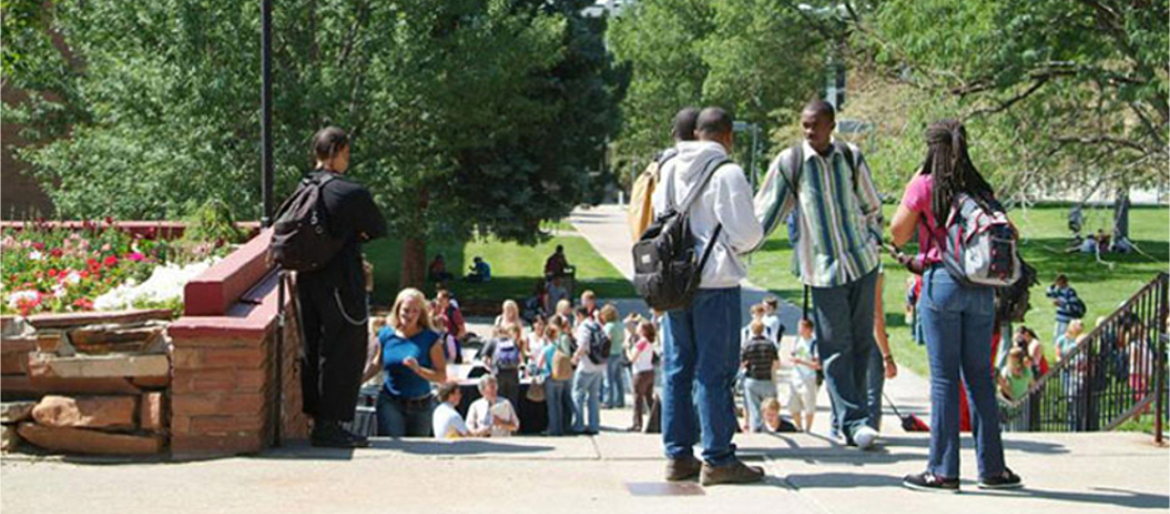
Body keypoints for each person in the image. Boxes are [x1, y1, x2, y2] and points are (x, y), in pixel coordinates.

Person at [891, 119, 1022, 492]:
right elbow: (1011, 232)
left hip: (941, 284)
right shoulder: (978, 187)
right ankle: (993, 469)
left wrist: (914, 192)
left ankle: (943, 470)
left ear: (930, 147)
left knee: (945, 379)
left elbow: (897, 233)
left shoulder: (925, 185)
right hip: (981, 288)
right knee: (979, 377)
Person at [754, 100, 884, 450]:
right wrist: (738, 247)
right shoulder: (791, 163)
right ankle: (856, 422)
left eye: (816, 125)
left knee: (860, 344)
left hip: (861, 263)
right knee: (835, 347)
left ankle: (848, 423)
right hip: (823, 270)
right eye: (805, 125)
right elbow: (766, 212)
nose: (809, 132)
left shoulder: (851, 156)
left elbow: (872, 206)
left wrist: (873, 241)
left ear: (831, 125)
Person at [652, 107, 765, 486]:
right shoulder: (727, 173)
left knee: (677, 369)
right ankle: (717, 457)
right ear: (727, 136)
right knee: (714, 371)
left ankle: (677, 454)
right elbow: (748, 234)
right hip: (715, 282)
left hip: (674, 283)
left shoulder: (667, 168)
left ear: (698, 133)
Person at [295, 126, 387, 448]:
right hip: (339, 281)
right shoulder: (350, 192)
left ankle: (318, 419)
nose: (348, 160)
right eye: (346, 153)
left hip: (307, 278)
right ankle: (330, 426)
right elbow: (377, 227)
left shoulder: (304, 185)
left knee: (314, 348)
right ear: (335, 152)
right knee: (344, 349)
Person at [377, 288, 447, 437]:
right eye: (406, 310)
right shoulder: (386, 334)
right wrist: (358, 381)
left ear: (421, 314)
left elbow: (442, 376)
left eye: (415, 311)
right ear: (397, 309)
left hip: (421, 405)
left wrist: (419, 370)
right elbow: (377, 363)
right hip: (391, 402)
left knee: (418, 450)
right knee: (394, 449)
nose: (409, 315)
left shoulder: (430, 338)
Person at [629, 107, 701, 241]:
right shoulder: (702, 166)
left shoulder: (659, 164)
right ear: (700, 135)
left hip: (661, 242)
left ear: (673, 134)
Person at [571, 305, 606, 434]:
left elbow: (583, 345)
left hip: (586, 365)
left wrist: (575, 358)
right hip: (599, 365)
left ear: (579, 315)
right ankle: (594, 425)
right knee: (594, 397)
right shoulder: (596, 324)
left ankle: (579, 425)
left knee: (577, 395)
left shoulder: (583, 327)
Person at [741, 320, 780, 433]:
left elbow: (742, 363)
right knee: (770, 407)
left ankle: (756, 430)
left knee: (754, 409)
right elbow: (776, 363)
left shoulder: (747, 345)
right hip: (767, 379)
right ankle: (770, 428)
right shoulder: (770, 344)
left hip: (752, 379)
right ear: (763, 330)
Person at [541, 320, 575, 436]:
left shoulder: (546, 349)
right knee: (559, 403)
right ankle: (560, 428)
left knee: (552, 405)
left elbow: (540, 364)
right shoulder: (558, 347)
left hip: (549, 377)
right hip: (560, 377)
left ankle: (553, 429)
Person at [788, 319, 821, 432]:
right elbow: (792, 354)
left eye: (802, 328)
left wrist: (802, 362)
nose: (799, 330)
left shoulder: (814, 344)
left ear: (809, 330)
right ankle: (799, 426)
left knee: (809, 404)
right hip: (795, 376)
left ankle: (808, 428)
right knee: (793, 404)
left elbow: (817, 365)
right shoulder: (797, 340)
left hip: (808, 377)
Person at [480, 323, 524, 410]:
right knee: (512, 401)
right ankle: (512, 421)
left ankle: (499, 421)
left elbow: (484, 359)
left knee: (498, 400)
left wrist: (490, 369)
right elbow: (520, 359)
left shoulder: (492, 341)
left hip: (498, 373)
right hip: (513, 374)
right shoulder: (512, 342)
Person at [627, 320, 657, 432]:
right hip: (649, 370)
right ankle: (656, 420)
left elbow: (632, 358)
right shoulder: (650, 341)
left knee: (637, 399)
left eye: (639, 327)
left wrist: (626, 349)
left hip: (640, 372)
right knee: (649, 398)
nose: (637, 328)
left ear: (643, 330)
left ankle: (637, 424)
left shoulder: (641, 342)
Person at [600, 304, 627, 409]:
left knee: (608, 378)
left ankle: (608, 401)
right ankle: (620, 400)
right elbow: (623, 338)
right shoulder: (620, 325)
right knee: (618, 378)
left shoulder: (608, 327)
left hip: (609, 354)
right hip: (618, 352)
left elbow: (605, 340)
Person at [1046, 274, 1084, 341]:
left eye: (1058, 282)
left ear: (1063, 282)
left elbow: (1073, 308)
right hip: (1059, 319)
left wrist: (1060, 304)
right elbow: (1048, 293)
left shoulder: (1070, 292)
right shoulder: (1058, 290)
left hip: (1067, 321)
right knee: (1056, 337)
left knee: (1065, 339)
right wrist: (1053, 286)